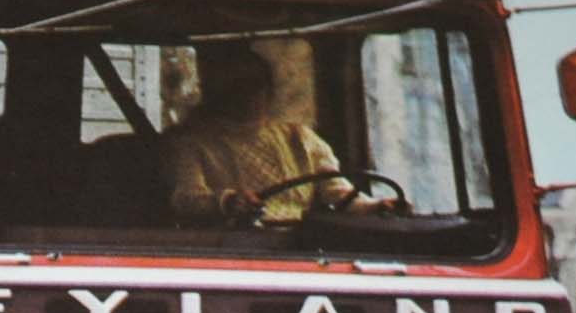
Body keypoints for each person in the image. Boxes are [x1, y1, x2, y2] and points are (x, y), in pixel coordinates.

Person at [161, 41, 399, 225]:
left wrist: (375, 206)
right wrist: (228, 202)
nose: (249, 94)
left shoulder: (300, 138)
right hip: (231, 246)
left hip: (299, 245)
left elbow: (338, 193)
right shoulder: (190, 143)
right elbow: (186, 199)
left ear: (269, 88)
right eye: (236, 85)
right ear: (217, 91)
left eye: (256, 83)